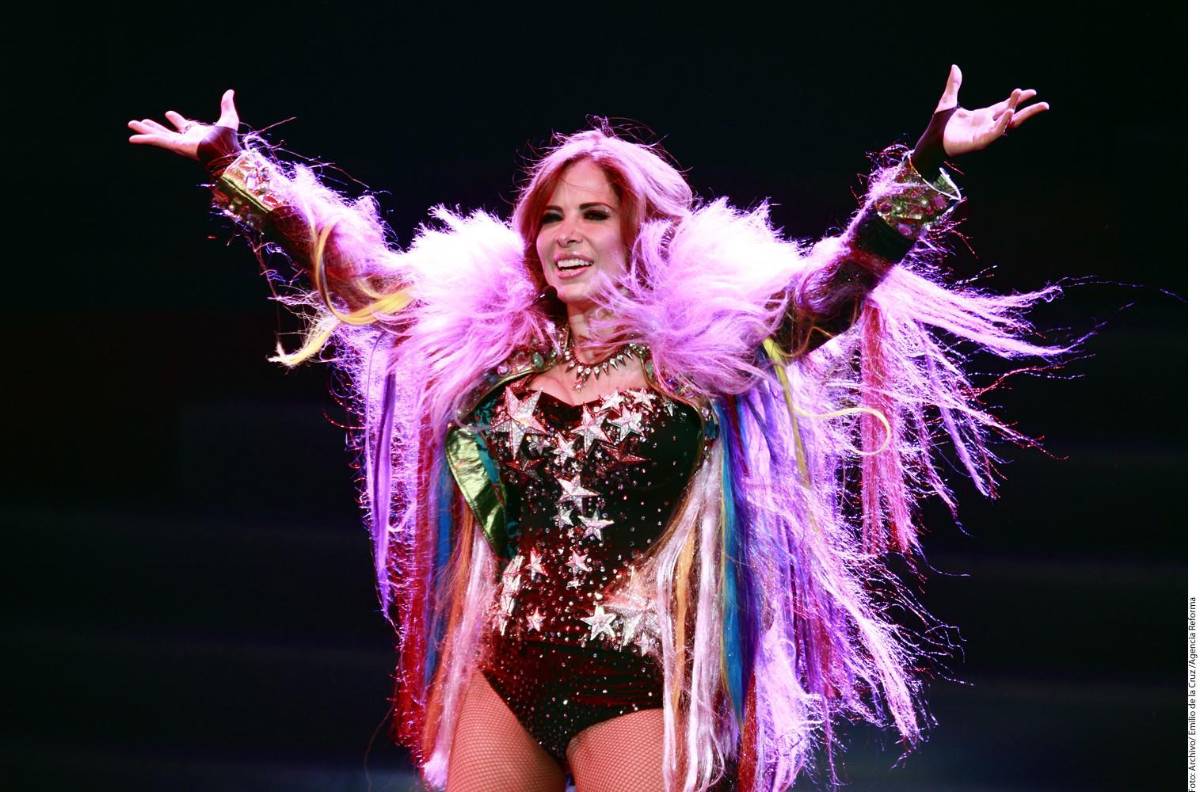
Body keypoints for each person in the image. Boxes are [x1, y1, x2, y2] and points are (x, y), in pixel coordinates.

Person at [129, 66, 1053, 792]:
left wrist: (927, 166)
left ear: (641, 230)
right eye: (550, 217)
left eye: (594, 215)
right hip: (504, 671)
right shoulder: (492, 348)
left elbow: (836, 289)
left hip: (640, 682)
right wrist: (237, 168)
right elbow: (360, 279)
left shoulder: (708, 349)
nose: (565, 235)